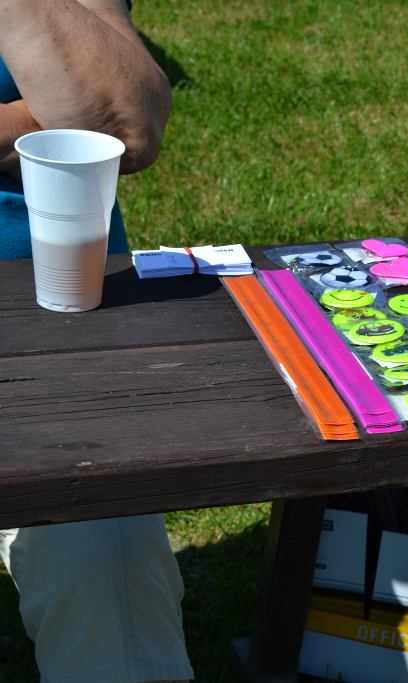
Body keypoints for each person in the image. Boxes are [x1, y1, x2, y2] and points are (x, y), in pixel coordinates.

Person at [0, 2, 192, 682]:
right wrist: (38, 122)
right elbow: (80, 131)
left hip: (56, 319)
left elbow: (127, 122)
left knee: (100, 551)